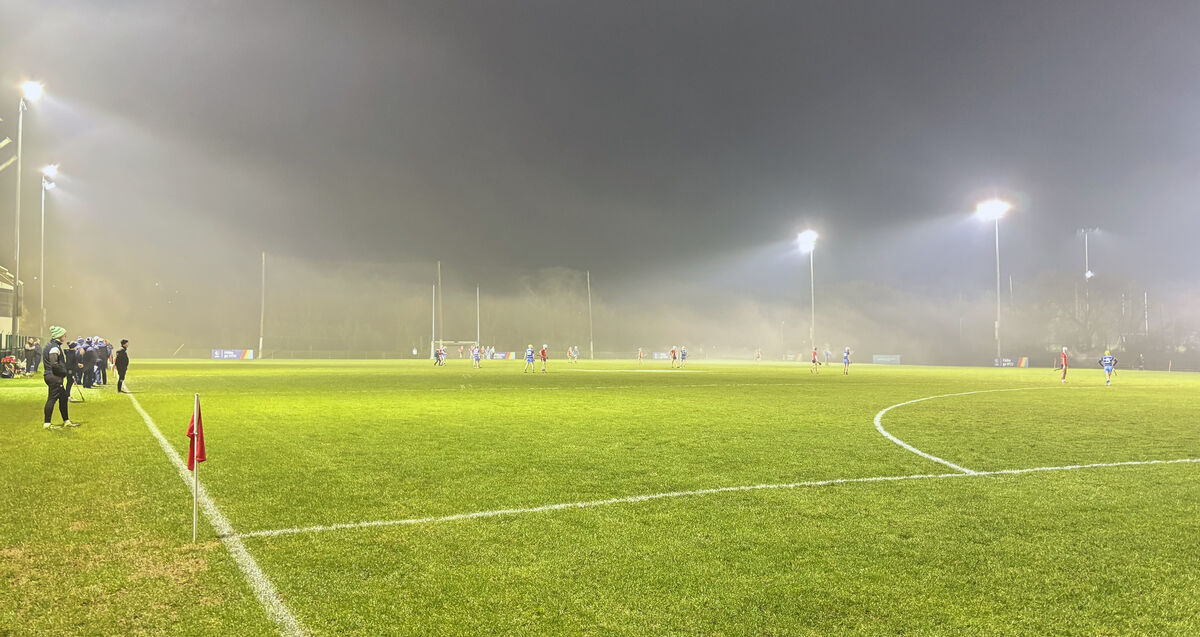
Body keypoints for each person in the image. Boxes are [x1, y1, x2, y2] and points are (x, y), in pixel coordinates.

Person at [42, 326, 75, 429]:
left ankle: (66, 421)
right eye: (64, 335)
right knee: (52, 399)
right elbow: (54, 364)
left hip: (51, 375)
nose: (65, 336)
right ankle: (47, 424)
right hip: (54, 376)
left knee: (64, 397)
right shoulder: (54, 347)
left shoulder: (51, 345)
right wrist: (64, 372)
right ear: (60, 336)